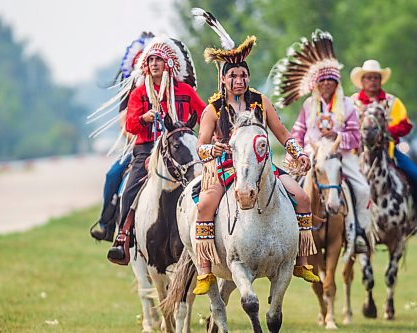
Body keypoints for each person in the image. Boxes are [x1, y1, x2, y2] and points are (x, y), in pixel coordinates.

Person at [192, 33, 320, 295]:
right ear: (224, 79)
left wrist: (299, 152)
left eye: (243, 76)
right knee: (204, 206)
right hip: (227, 167)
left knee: (303, 198)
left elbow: (282, 133)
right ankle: (205, 270)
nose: (239, 81)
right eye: (233, 77)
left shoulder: (260, 101)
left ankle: (301, 262)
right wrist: (213, 149)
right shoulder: (213, 109)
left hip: (263, 167)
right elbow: (200, 145)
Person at [107, 35, 206, 262]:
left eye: (158, 60)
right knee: (129, 189)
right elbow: (130, 126)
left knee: (203, 184)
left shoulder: (184, 91)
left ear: (168, 63)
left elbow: (204, 114)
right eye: (150, 60)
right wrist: (144, 118)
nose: (153, 64)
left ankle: (207, 236)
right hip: (146, 150)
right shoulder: (139, 93)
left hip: (180, 149)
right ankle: (123, 237)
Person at [274, 30, 373, 254]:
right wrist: (294, 154)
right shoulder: (309, 105)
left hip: (340, 155)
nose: (327, 84)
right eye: (323, 80)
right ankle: (289, 230)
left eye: (331, 80)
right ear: (316, 84)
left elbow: (355, 135)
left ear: (337, 83)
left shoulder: (347, 105)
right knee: (289, 185)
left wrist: (337, 138)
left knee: (363, 188)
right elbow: (298, 132)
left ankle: (359, 232)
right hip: (311, 154)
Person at [350, 59, 417, 236]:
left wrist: (385, 132)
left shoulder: (392, 102)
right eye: (368, 77)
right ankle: (342, 222)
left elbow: (405, 124)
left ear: (381, 80)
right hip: (356, 154)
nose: (372, 81)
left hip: (389, 152)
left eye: (376, 77)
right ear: (362, 80)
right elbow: (346, 124)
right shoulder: (352, 102)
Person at [90, 32, 154, 242]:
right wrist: (138, 139)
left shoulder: (170, 87)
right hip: (141, 146)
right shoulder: (131, 93)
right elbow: (124, 125)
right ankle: (107, 224)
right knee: (113, 174)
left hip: (169, 144)